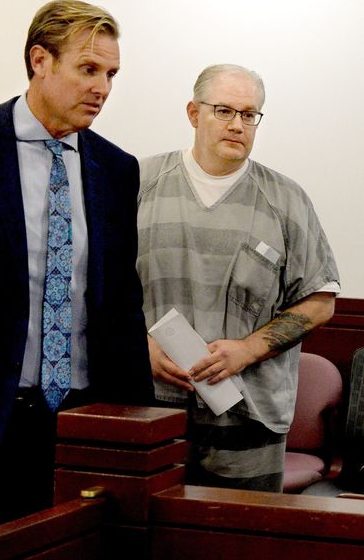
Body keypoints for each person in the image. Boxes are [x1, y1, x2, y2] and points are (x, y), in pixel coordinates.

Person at [0, 0, 154, 536]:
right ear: (40, 60)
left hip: (80, 422)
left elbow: (122, 305)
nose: (102, 88)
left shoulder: (115, 169)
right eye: (88, 69)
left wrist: (138, 425)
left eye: (111, 74)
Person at [137, 64, 340, 492]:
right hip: (148, 409)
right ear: (194, 113)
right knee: (139, 525)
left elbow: (320, 302)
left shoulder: (285, 201)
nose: (237, 125)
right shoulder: (139, 183)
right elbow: (93, 286)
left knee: (238, 529)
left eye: (249, 115)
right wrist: (138, 345)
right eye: (224, 110)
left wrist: (247, 350)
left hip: (249, 420)